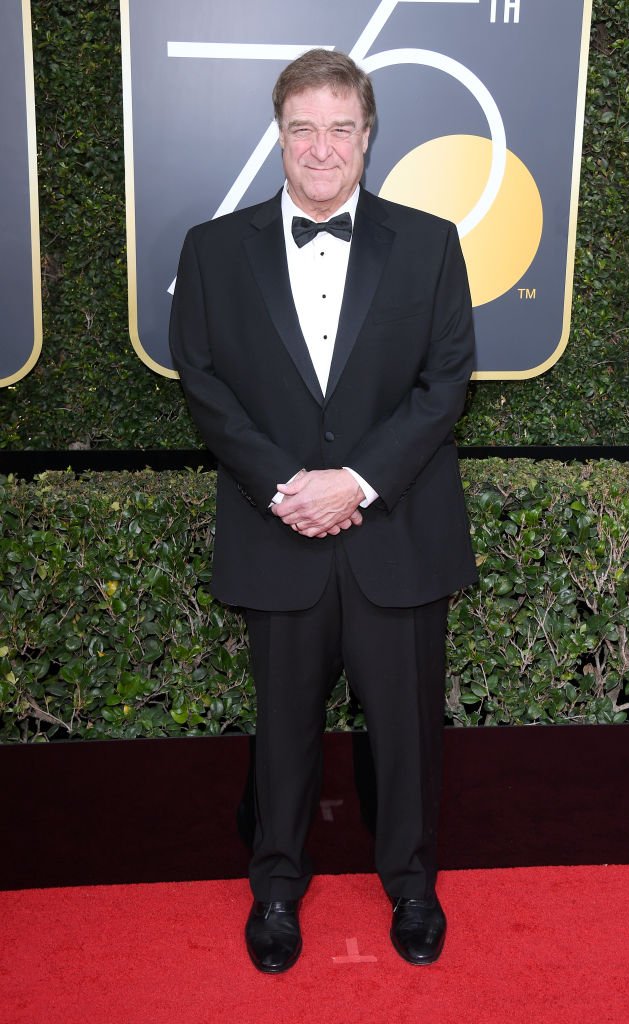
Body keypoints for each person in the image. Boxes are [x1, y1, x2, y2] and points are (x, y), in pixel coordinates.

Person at [170, 48, 477, 973]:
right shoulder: (213, 249)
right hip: (278, 531)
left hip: (396, 530)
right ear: (279, 133)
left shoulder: (428, 243)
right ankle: (274, 888)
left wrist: (356, 482)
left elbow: (443, 382)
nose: (321, 146)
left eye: (339, 127)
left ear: (368, 136)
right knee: (283, 727)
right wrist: (284, 487)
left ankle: (413, 888)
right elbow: (205, 383)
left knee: (408, 729)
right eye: (302, 126)